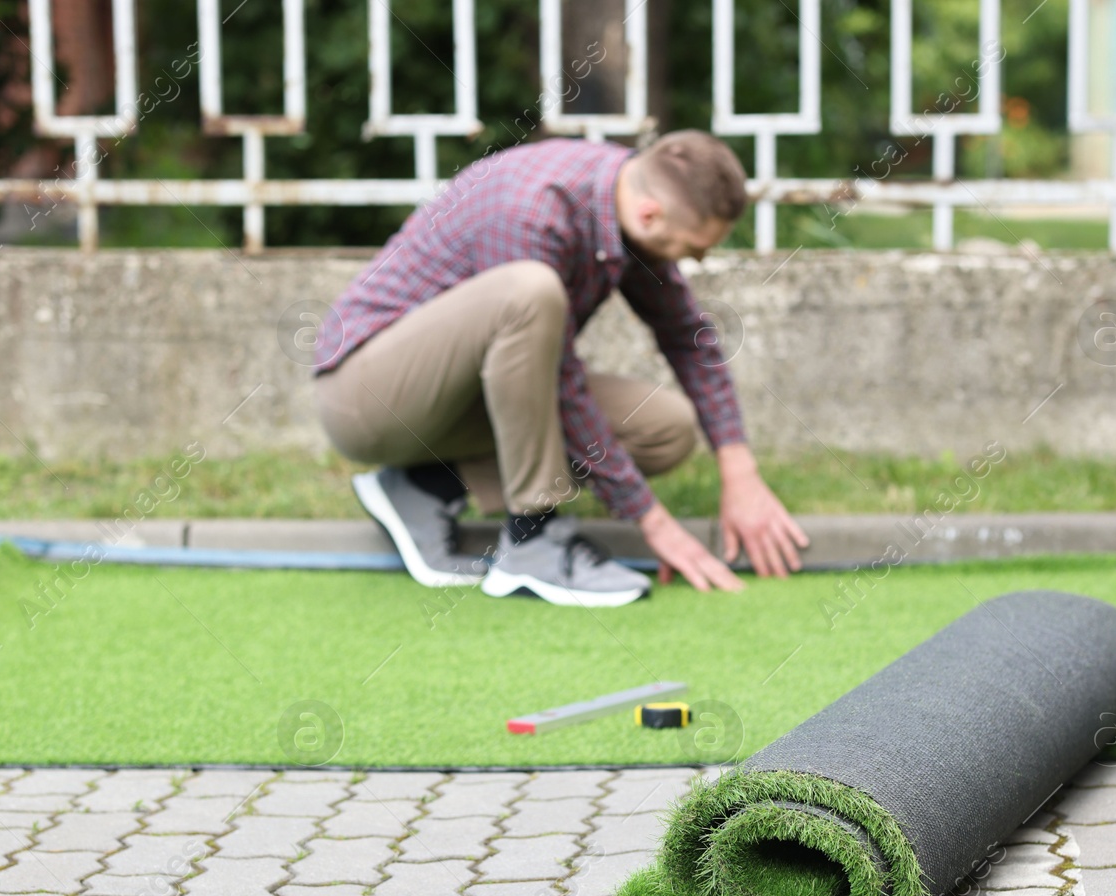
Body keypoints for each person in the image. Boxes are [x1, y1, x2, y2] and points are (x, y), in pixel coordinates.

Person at [313, 129, 809, 607]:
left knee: (665, 428)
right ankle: (533, 541)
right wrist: (653, 522)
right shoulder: (531, 212)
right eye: (693, 248)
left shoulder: (624, 206)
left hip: (454, 402)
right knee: (530, 291)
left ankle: (422, 490)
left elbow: (686, 336)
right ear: (651, 214)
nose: (695, 261)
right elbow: (561, 387)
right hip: (366, 398)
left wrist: (739, 471)